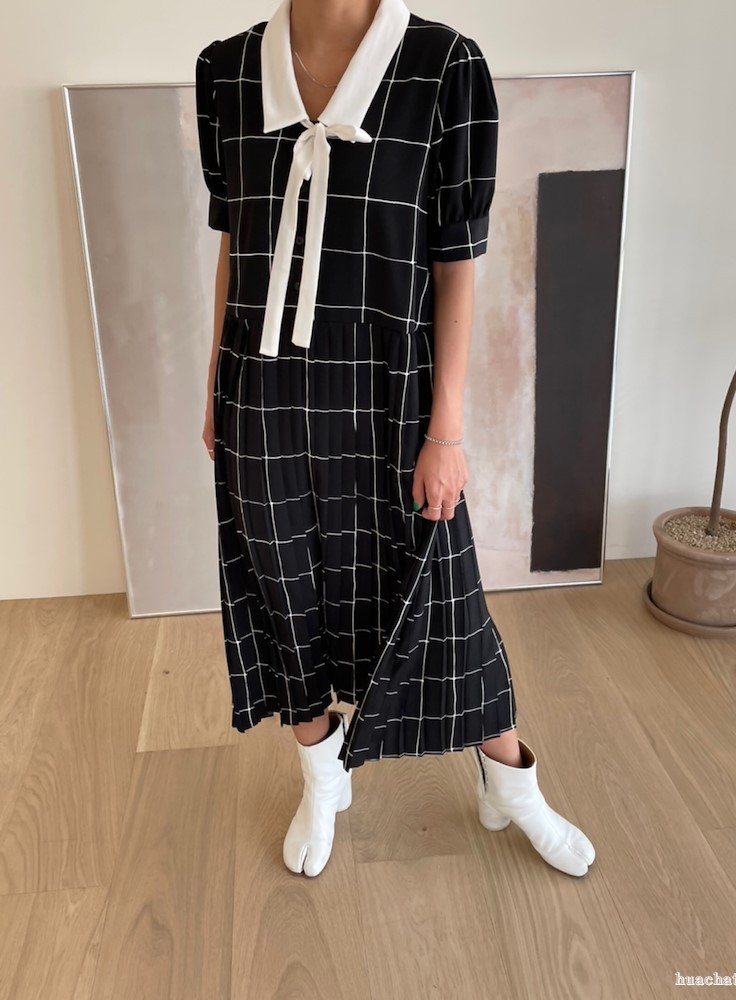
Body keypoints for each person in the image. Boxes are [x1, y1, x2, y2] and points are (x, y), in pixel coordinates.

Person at [195, 0, 595, 879]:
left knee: (439, 593)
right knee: (283, 588)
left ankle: (509, 780)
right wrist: (217, 378)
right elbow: (234, 242)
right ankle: (321, 774)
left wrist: (446, 426)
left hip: (393, 390)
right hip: (263, 385)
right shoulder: (225, 71)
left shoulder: (444, 66)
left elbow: (457, 262)